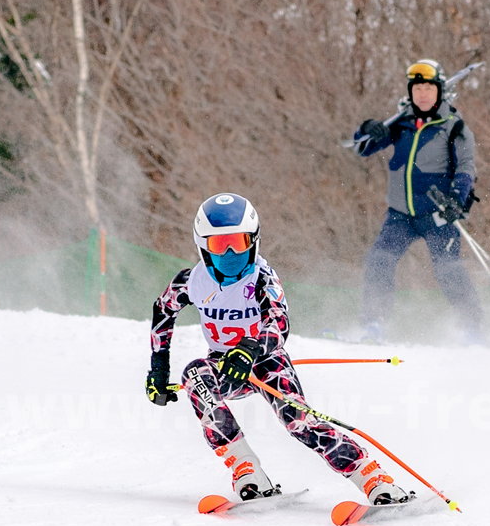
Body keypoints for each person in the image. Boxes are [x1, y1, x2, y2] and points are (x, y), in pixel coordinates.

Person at [146, 191, 411, 506]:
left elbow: (279, 322)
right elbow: (163, 310)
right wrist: (159, 369)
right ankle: (247, 470)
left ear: (254, 241)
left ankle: (373, 478)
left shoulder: (263, 278)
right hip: (225, 365)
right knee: (196, 375)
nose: (231, 252)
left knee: (299, 422)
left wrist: (250, 349)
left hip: (266, 360)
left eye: (240, 242)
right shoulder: (192, 281)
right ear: (203, 246)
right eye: (219, 245)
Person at [353, 59, 482, 341]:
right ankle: (374, 324)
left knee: (448, 270)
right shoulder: (401, 125)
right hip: (401, 215)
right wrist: (368, 128)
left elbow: (466, 168)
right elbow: (362, 148)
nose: (422, 94)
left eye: (428, 88)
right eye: (417, 89)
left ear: (439, 91)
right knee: (379, 260)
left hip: (438, 214)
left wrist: (457, 200)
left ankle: (472, 328)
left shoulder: (453, 126)